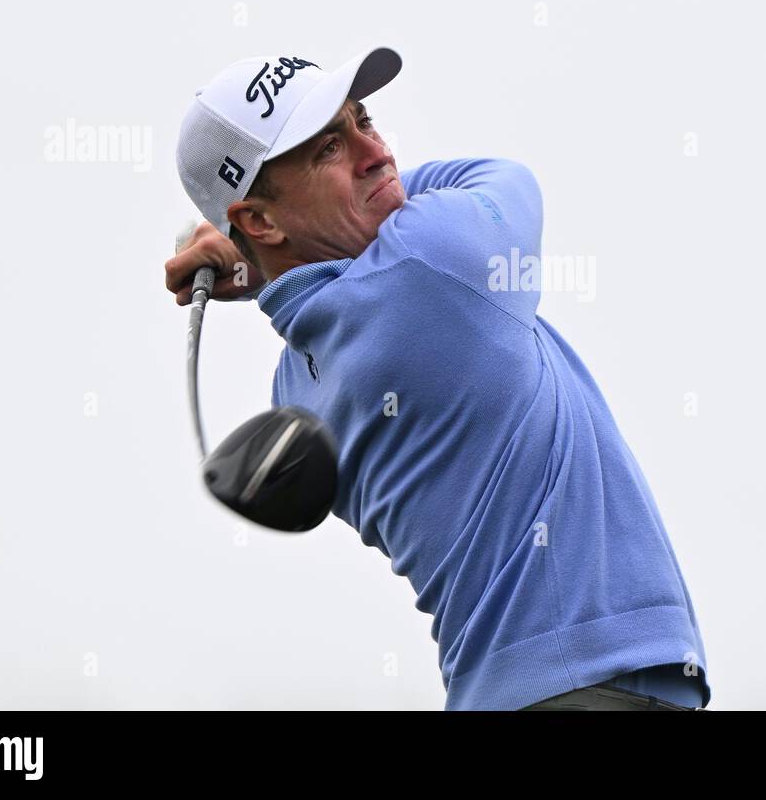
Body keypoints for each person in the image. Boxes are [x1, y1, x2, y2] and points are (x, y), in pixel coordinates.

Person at [165, 47, 712, 711]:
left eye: (363, 120)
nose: (376, 152)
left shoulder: (295, 387)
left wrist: (258, 259)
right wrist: (253, 261)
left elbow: (322, 269)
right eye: (330, 148)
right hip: (585, 685)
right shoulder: (432, 259)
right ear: (261, 218)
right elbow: (504, 178)